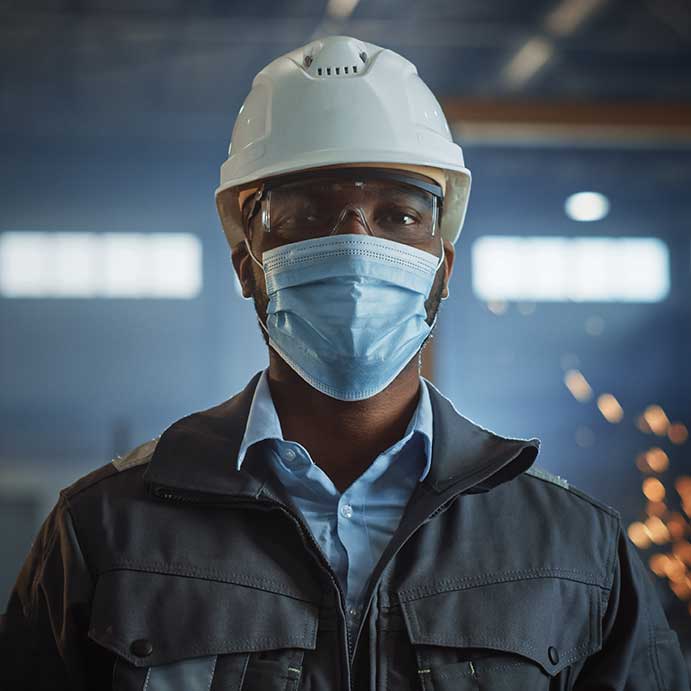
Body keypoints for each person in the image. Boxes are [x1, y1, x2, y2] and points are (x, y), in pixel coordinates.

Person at [1, 35, 688, 691]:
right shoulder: (106, 531)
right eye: (307, 213)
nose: (356, 246)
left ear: (440, 270)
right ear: (248, 265)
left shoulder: (575, 550)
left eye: (396, 216)